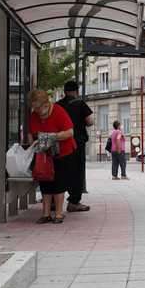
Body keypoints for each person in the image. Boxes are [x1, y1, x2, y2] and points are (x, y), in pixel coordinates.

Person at [28, 90, 76, 224]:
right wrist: (33, 143)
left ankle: (59, 213)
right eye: (35, 108)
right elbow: (32, 133)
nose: (38, 111)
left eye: (39, 107)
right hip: (44, 154)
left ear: (46, 103)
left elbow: (70, 132)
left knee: (59, 182)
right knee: (45, 181)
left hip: (62, 152)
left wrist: (53, 136)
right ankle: (46, 213)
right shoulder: (34, 116)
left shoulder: (59, 111)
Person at [57, 80, 94, 212]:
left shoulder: (58, 105)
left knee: (61, 171)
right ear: (76, 91)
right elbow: (90, 121)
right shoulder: (80, 104)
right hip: (77, 143)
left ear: (64, 92)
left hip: (61, 142)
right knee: (77, 171)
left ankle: (54, 201)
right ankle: (74, 202)